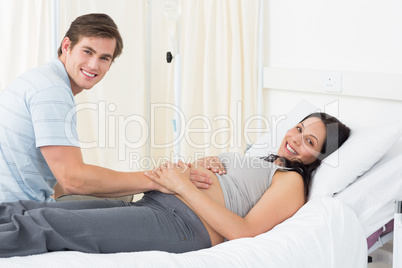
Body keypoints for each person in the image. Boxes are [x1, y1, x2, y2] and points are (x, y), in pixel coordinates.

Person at [0, 112, 350, 257]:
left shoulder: (290, 182)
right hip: (153, 203)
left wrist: (183, 188)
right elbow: (218, 184)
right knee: (40, 209)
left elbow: (244, 232)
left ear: (317, 158)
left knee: (50, 225)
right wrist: (200, 165)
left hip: (182, 225)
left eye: (310, 143)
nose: (297, 140)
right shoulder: (257, 159)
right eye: (300, 129)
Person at [0, 13, 210, 203]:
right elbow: (72, 180)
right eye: (87, 52)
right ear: (66, 46)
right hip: (16, 213)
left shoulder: (41, 79)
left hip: (19, 202)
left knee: (124, 193)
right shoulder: (52, 91)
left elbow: (60, 180)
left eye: (104, 58)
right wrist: (159, 180)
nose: (93, 65)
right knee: (131, 204)